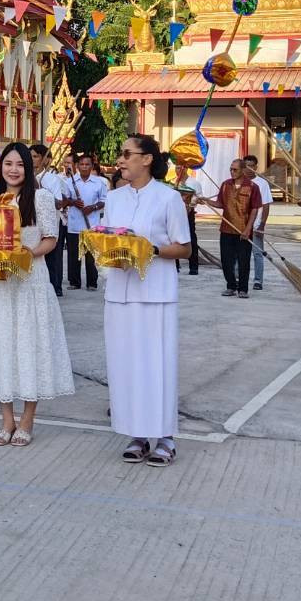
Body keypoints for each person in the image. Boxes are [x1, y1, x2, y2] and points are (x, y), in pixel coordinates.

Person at [0, 142, 74, 446]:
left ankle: (26, 421)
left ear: (30, 167)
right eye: (8, 164)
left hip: (29, 280)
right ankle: (6, 420)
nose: (13, 170)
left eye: (20, 165)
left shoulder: (40, 198)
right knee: (1, 345)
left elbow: (51, 240)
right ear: (0, 167)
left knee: (29, 346)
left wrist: (28, 253)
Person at [101, 134, 192, 466]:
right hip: (120, 293)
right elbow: (110, 240)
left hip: (156, 295)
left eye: (127, 154)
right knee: (126, 365)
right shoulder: (114, 198)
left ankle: (165, 436)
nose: (120, 160)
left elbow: (184, 247)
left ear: (147, 159)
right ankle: (136, 434)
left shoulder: (168, 199)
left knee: (157, 365)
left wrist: (149, 249)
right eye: (120, 154)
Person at [207, 159, 261, 298]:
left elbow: (254, 209)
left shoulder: (252, 187)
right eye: (231, 169)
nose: (232, 172)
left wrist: (248, 229)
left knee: (244, 261)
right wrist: (205, 200)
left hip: (243, 230)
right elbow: (220, 204)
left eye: (235, 169)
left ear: (243, 170)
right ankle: (231, 286)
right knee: (226, 261)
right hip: (226, 229)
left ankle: (243, 289)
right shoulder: (225, 185)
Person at [62, 153, 108, 290]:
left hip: (92, 225)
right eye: (81, 164)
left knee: (91, 256)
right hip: (74, 224)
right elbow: (63, 201)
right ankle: (74, 282)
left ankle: (92, 283)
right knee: (74, 255)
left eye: (87, 164)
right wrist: (73, 202)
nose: (84, 167)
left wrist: (92, 207)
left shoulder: (99, 182)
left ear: (92, 166)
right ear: (76, 166)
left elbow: (104, 201)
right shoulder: (70, 181)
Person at [33, 143, 67, 298]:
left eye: (35, 156)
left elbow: (59, 203)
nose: (32, 160)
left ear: (45, 159)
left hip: (50, 221)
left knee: (53, 256)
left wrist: (40, 190)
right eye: (30, 156)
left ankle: (55, 287)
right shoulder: (25, 175)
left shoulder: (52, 179)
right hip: (32, 222)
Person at [243, 155, 272, 292]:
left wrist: (262, 224)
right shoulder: (239, 182)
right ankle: (238, 277)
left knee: (257, 253)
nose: (248, 169)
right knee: (240, 253)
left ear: (256, 167)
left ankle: (258, 280)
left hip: (255, 225)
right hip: (240, 225)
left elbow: (265, 206)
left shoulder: (262, 183)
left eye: (251, 166)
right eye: (246, 165)